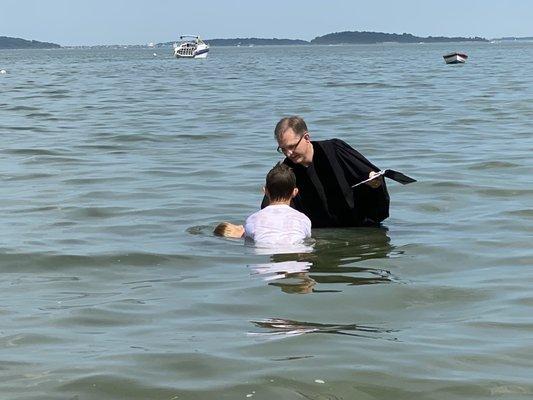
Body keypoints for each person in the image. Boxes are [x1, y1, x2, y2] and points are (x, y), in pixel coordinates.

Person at [263, 116, 391, 228]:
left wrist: (375, 182)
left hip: (358, 226)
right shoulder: (286, 171)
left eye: (292, 146)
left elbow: (368, 173)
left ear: (306, 137)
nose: (288, 153)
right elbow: (270, 207)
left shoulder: (335, 150)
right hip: (319, 235)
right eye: (283, 149)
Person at [214, 163, 311, 246]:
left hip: (264, 262)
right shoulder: (303, 219)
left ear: (265, 191)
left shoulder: (253, 219)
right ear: (295, 192)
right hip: (297, 261)